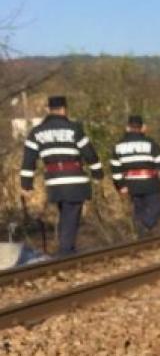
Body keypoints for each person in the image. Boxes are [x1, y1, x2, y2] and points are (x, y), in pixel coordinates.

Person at [18, 95, 103, 256]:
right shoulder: (74, 128)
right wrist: (98, 174)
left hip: (54, 180)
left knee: (65, 213)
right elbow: (90, 154)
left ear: (48, 110)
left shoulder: (36, 132)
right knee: (71, 213)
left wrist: (26, 185)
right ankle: (66, 252)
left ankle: (66, 249)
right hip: (75, 179)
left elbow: (28, 161)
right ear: (64, 109)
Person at [110, 114, 160, 236]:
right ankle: (145, 226)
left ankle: (141, 232)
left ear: (127, 128)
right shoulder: (150, 144)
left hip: (131, 183)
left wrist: (120, 186)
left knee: (139, 209)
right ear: (143, 128)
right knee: (157, 208)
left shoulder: (118, 146)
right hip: (150, 182)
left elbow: (115, 168)